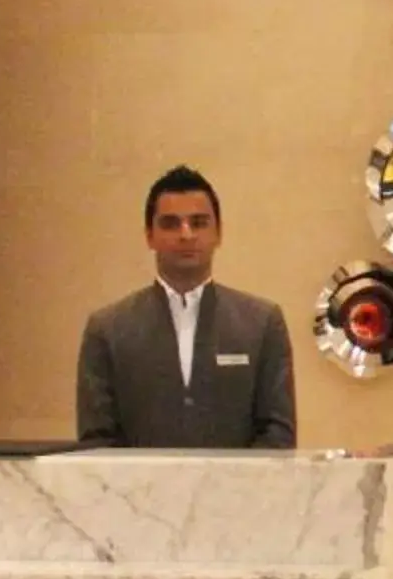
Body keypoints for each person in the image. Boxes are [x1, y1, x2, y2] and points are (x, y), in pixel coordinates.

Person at [76, 165, 298, 448]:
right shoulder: (107, 330)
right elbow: (96, 444)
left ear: (219, 233)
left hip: (238, 491)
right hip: (136, 492)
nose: (186, 234)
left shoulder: (262, 324)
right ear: (149, 235)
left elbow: (278, 436)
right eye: (170, 223)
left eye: (199, 222)